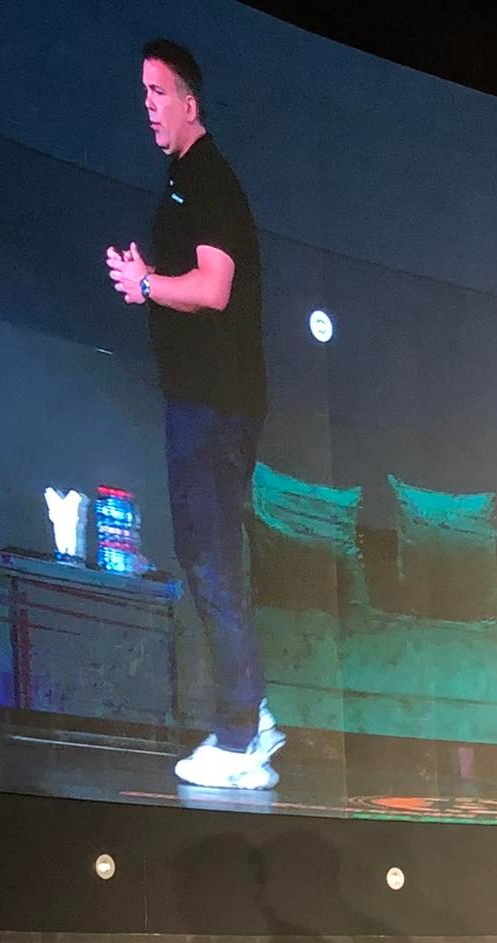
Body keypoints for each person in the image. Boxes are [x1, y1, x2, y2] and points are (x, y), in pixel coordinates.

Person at [106, 39, 283, 791]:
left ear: (189, 101)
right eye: (143, 93)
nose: (148, 106)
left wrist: (147, 284)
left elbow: (213, 287)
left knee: (211, 561)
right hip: (204, 402)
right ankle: (253, 717)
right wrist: (147, 278)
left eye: (158, 93)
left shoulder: (208, 176)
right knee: (207, 558)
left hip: (215, 406)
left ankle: (240, 739)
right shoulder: (185, 177)